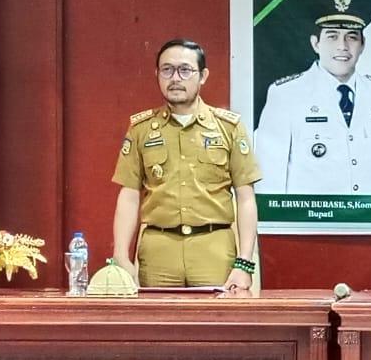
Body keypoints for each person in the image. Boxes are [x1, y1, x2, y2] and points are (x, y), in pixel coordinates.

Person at [111, 39, 262, 292]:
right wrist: (120, 255)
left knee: (217, 317)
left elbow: (246, 197)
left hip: (213, 248)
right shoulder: (141, 130)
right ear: (157, 74)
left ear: (203, 76)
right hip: (158, 251)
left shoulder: (229, 128)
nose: (175, 78)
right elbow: (129, 195)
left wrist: (244, 263)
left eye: (185, 70)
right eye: (167, 70)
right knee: (156, 317)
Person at [254, 0, 371, 195]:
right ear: (315, 43)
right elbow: (269, 175)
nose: (343, 46)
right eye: (332, 36)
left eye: (351, 37)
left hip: (369, 213)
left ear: (362, 45)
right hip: (310, 213)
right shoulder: (286, 94)